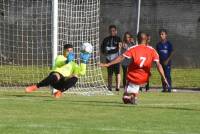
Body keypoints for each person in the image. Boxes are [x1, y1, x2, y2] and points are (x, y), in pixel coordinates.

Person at [100, 32, 169, 104]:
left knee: (125, 98)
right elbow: (159, 65)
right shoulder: (152, 50)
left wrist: (108, 64)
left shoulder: (133, 48)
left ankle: (131, 97)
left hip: (133, 77)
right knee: (132, 90)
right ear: (146, 39)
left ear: (137, 39)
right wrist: (163, 77)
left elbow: (121, 57)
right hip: (144, 79)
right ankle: (134, 95)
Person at [25, 44, 91, 98]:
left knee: (75, 77)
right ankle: (36, 87)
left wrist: (84, 62)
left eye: (71, 51)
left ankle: (59, 92)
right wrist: (66, 61)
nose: (69, 52)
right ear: (64, 51)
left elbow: (82, 72)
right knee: (56, 75)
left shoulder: (74, 64)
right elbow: (58, 64)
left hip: (63, 83)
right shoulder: (60, 57)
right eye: (67, 50)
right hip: (54, 80)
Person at [101, 25, 121, 91]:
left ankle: (117, 87)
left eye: (113, 30)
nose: (112, 32)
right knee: (109, 73)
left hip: (116, 59)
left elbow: (118, 49)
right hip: (108, 59)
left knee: (117, 73)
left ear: (116, 31)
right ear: (109, 31)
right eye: (110, 31)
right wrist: (104, 51)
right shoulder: (106, 39)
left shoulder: (118, 39)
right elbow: (102, 48)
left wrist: (109, 51)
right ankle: (109, 87)